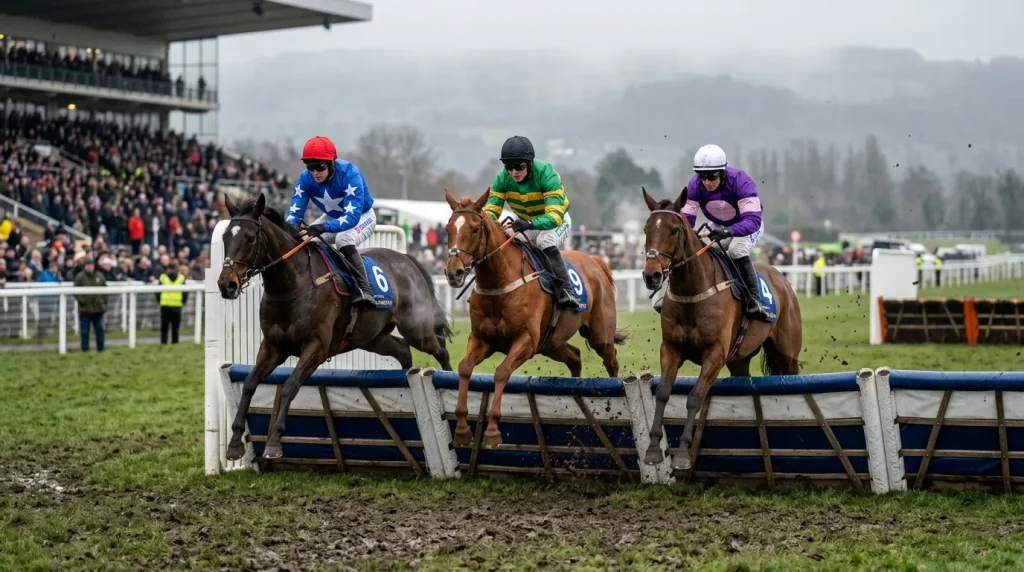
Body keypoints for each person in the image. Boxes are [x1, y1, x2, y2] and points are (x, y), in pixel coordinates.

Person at [654, 144, 769, 320]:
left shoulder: (741, 182)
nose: (707, 182)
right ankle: (669, 294)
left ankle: (754, 300)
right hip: (717, 225)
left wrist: (728, 231)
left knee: (736, 250)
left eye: (711, 176)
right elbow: (687, 220)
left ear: (723, 172)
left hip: (747, 225)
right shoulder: (694, 185)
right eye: (702, 176)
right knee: (693, 251)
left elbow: (752, 221)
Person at [484, 135, 575, 309]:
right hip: (525, 221)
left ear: (530, 163)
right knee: (505, 239)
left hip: (556, 220)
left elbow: (554, 216)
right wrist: (484, 225)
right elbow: (492, 210)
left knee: (544, 241)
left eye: (519, 166)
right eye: (509, 167)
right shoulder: (502, 177)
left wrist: (530, 224)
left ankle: (566, 290)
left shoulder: (546, 173)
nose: (514, 172)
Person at [288, 135, 376, 309]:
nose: (315, 173)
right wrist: (290, 229)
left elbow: (351, 218)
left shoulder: (350, 174)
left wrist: (322, 227)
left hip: (362, 216)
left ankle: (365, 289)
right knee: (306, 240)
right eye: (310, 167)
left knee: (343, 240)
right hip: (333, 217)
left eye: (319, 167)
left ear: (331, 163)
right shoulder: (305, 179)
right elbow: (294, 213)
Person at [73, 257, 108, 352]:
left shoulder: (99, 276)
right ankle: (85, 350)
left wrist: (103, 304)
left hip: (98, 309)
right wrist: (83, 302)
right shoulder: (80, 277)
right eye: (88, 265)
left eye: (91, 265)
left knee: (100, 331)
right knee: (84, 331)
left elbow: (105, 291)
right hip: (85, 310)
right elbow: (76, 292)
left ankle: (101, 349)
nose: (89, 267)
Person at [157, 259, 188, 344]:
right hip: (177, 305)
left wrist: (159, 301)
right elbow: (185, 293)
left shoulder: (162, 277)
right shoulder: (181, 278)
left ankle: (163, 343)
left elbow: (157, 292)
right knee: (175, 328)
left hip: (164, 305)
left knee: (164, 327)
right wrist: (182, 302)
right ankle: (175, 343)